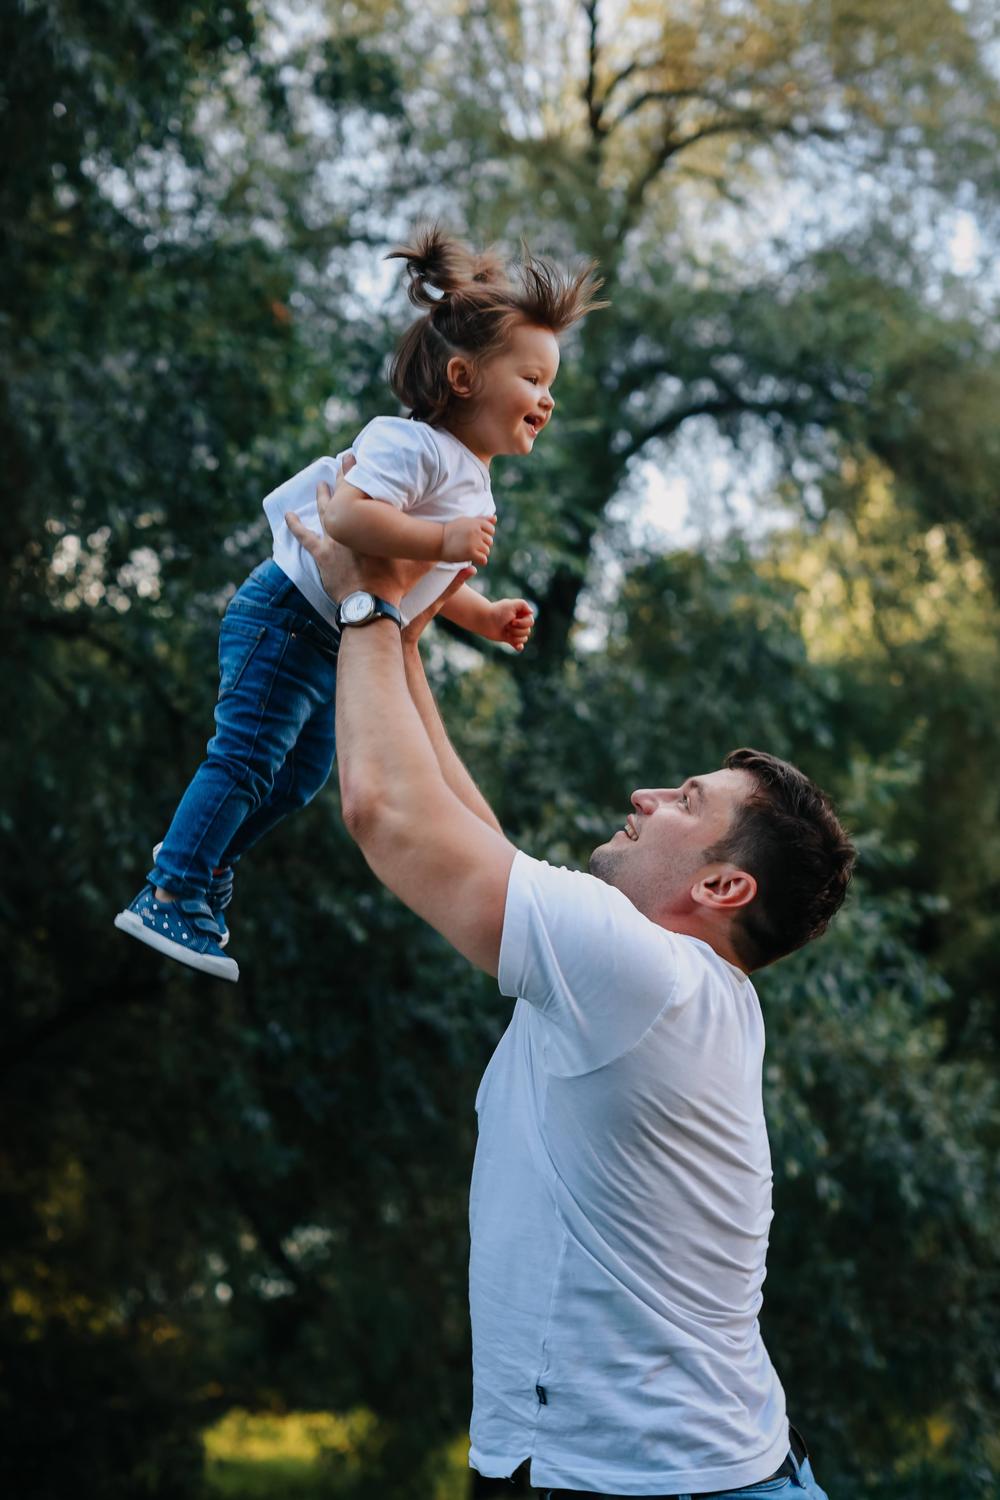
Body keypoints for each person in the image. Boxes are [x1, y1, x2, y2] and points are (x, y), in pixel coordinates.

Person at [283, 490, 856, 1500]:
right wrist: (405, 637)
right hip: (679, 1473)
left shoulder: (644, 977)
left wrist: (362, 606)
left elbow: (388, 815)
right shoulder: (659, 982)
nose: (645, 796)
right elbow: (473, 840)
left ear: (722, 888)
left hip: (648, 1486)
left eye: (685, 804)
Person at [114, 228, 605, 981]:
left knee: (298, 778)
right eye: (534, 378)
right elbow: (347, 519)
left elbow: (412, 581)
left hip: (333, 641)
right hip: (287, 617)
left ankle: (199, 855)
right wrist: (445, 539)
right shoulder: (410, 443)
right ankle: (172, 888)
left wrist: (483, 613)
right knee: (247, 757)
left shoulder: (469, 478)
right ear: (463, 376)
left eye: (552, 384)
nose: (548, 397)